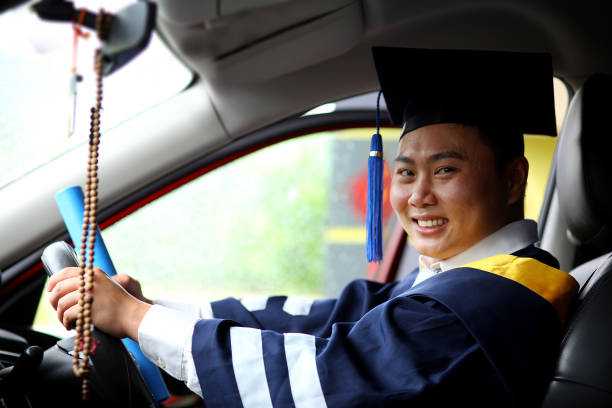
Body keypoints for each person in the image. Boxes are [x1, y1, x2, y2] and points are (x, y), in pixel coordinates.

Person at [48, 47, 578, 407]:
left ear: (513, 180)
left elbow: (323, 379)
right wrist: (149, 309)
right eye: (405, 171)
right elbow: (312, 321)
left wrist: (139, 322)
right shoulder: (459, 284)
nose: (418, 195)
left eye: (445, 170)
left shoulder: (494, 301)